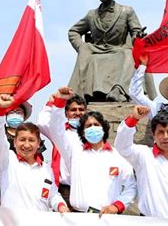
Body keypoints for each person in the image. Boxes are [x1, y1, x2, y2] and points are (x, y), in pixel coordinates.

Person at [47, 87, 137, 215]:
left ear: (104, 128)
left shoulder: (117, 156)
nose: (93, 128)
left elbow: (131, 186)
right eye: (88, 126)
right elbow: (56, 130)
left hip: (109, 218)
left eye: (96, 125)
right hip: (79, 217)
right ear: (82, 132)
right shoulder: (74, 152)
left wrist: (117, 206)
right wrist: (60, 101)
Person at [68, 0, 154, 103]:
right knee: (85, 50)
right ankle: (78, 95)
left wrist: (137, 35)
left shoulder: (127, 11)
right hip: (96, 49)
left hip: (118, 48)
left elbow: (135, 30)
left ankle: (119, 90)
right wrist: (80, 46)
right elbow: (73, 31)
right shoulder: (91, 15)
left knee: (128, 54)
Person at [114, 106, 168, 220]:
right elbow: (122, 146)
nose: (165, 137)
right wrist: (134, 118)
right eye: (160, 132)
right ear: (153, 135)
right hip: (149, 221)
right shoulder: (143, 155)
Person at [0, 94, 67, 212]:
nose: (26, 145)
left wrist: (61, 205)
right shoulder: (6, 161)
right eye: (22, 140)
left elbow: (52, 195)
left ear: (38, 143)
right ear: (14, 142)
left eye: (31, 140)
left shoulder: (46, 169)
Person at [36, 93, 86, 207]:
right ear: (66, 113)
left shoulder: (92, 134)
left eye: (81, 109)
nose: (78, 113)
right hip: (64, 191)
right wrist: (51, 102)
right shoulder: (59, 132)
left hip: (86, 188)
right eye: (73, 110)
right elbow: (42, 122)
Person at [0, 69, 33, 150]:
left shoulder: (31, 134)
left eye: (18, 112)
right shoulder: (0, 131)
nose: (15, 114)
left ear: (24, 115)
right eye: (12, 112)